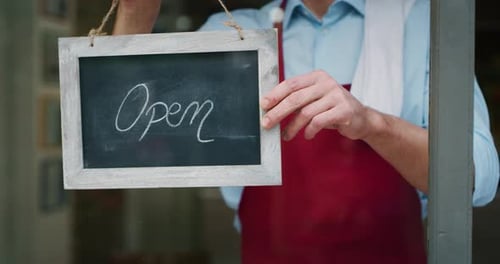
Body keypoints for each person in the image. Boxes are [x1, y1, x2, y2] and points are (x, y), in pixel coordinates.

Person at [113, 0, 500, 263]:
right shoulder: (233, 33)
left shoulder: (421, 22)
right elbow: (122, 134)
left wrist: (373, 124)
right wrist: (134, 13)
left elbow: (477, 177)